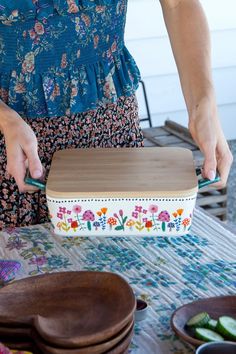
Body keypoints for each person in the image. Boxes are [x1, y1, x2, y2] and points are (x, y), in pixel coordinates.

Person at [0, 0, 233, 229]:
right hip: (12, 146)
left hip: (112, 134)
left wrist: (203, 103)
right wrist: (5, 119)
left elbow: (178, 4)